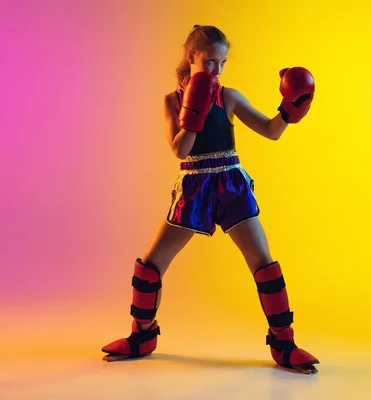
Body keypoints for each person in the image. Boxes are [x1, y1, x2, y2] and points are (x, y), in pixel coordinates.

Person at [101, 24, 319, 374]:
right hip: (195, 186)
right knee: (151, 264)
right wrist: (194, 112)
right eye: (210, 62)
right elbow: (179, 149)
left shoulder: (229, 97)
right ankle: (142, 336)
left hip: (231, 183)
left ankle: (283, 342)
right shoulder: (170, 101)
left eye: (222, 63)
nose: (216, 71)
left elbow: (271, 132)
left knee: (263, 262)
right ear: (192, 57)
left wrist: (290, 109)